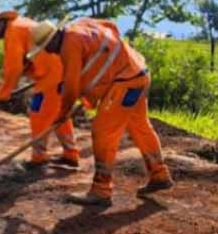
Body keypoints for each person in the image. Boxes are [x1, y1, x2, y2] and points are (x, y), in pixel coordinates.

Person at [29, 17, 173, 208]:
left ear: (53, 40)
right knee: (139, 126)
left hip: (125, 82)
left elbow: (71, 88)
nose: (49, 52)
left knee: (102, 132)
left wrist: (63, 113)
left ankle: (101, 190)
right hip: (138, 73)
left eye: (47, 47)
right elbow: (111, 26)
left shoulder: (68, 46)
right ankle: (159, 174)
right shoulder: (82, 24)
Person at [0, 10, 80, 170]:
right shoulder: (21, 25)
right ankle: (70, 154)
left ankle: (39, 157)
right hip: (61, 71)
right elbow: (28, 59)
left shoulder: (12, 32)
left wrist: (4, 92)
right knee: (58, 115)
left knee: (38, 114)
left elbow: (13, 68)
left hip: (51, 76)